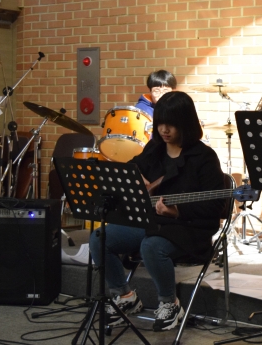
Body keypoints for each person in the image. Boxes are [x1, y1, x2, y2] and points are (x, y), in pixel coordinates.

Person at [89, 91, 225, 332]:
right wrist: (134, 179)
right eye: (161, 123)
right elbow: (132, 169)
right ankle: (124, 296)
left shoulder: (204, 157)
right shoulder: (155, 148)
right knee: (100, 238)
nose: (164, 129)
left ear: (186, 123)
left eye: (171, 124)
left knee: (151, 246)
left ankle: (170, 303)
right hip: (153, 222)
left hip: (189, 228)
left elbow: (215, 205)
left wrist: (177, 211)